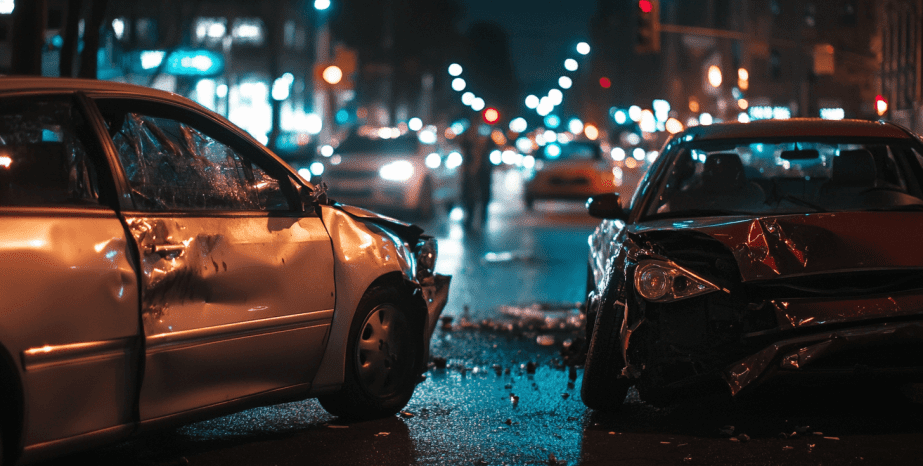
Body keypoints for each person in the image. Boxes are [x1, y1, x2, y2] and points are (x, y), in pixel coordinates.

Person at [459, 124, 494, 231]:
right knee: (469, 198)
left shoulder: (487, 142)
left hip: (482, 173)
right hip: (470, 174)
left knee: (483, 197)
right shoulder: (468, 142)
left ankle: (483, 218)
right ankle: (469, 220)